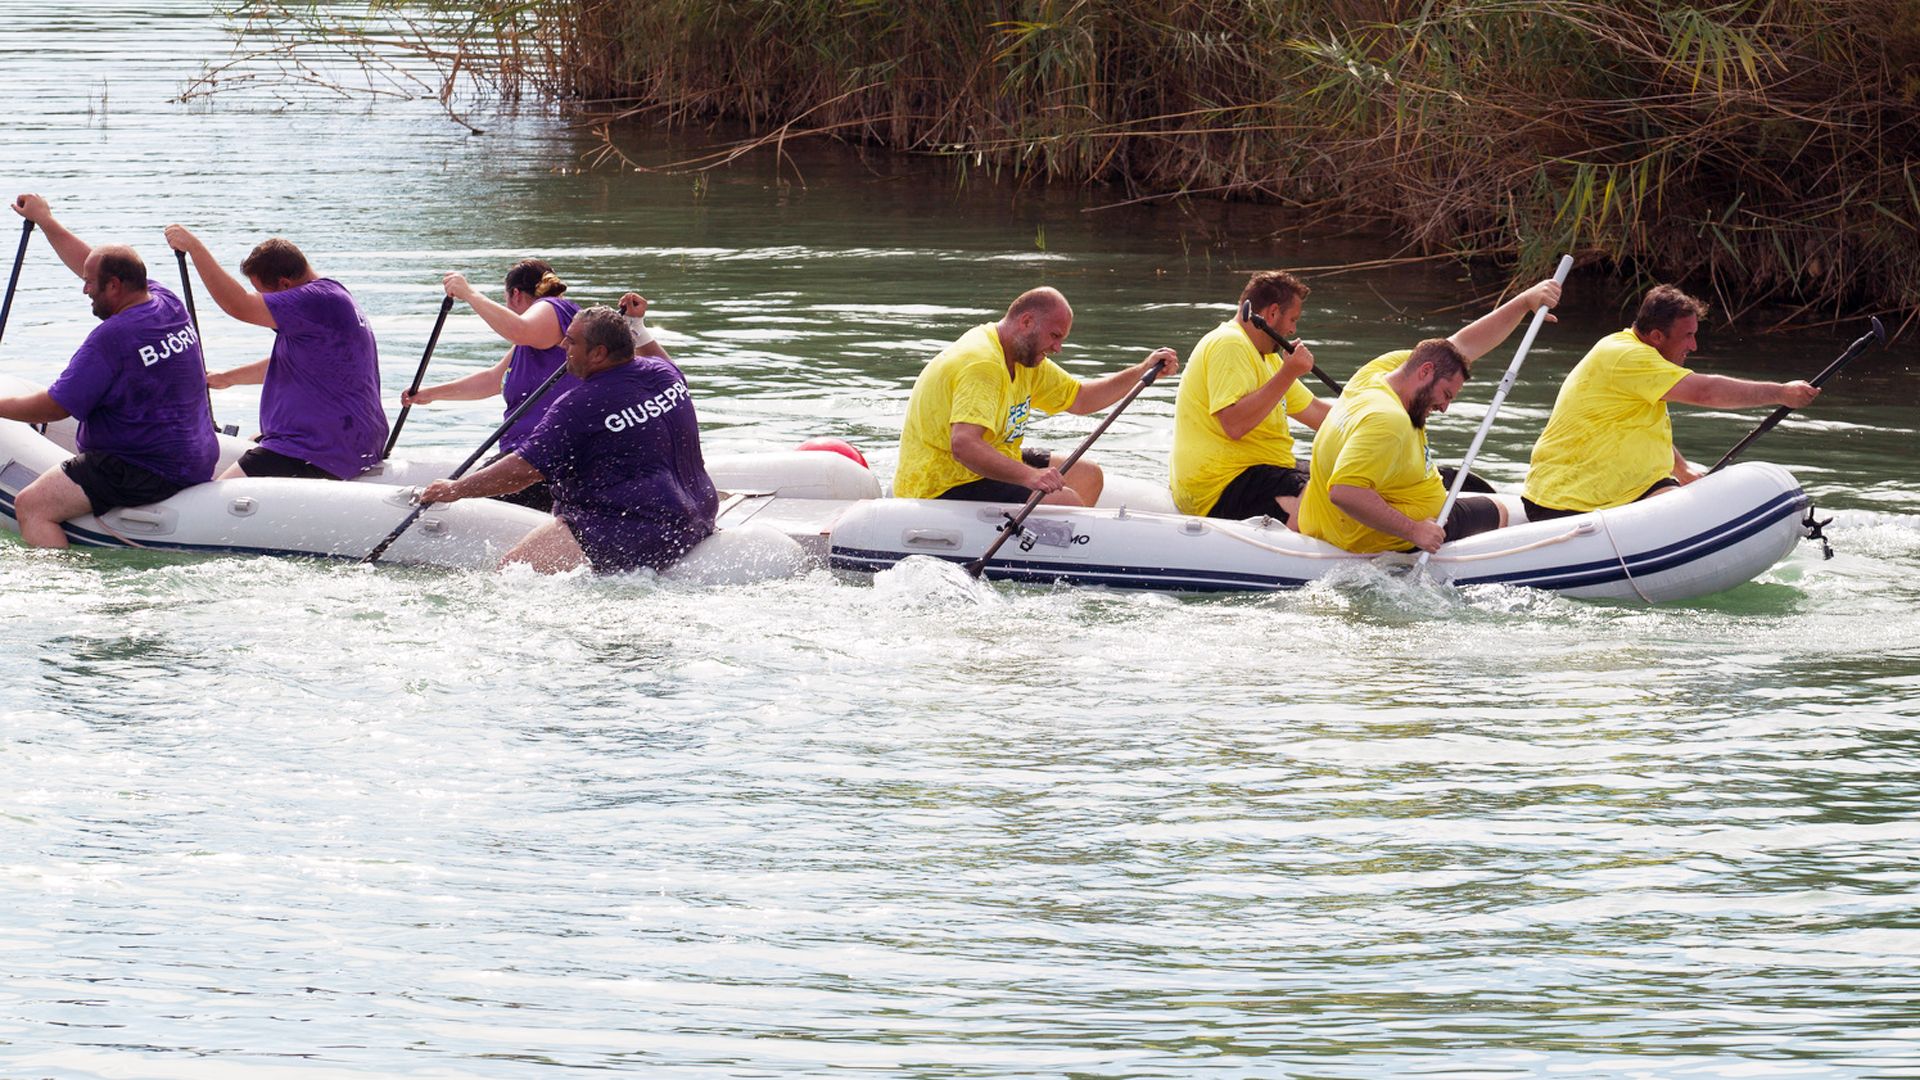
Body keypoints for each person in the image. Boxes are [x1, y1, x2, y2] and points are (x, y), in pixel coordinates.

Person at [417, 307, 717, 574]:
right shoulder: (665, 373)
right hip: (700, 509)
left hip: (632, 530)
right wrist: (638, 325)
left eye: (572, 341)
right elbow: (665, 365)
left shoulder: (578, 405)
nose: (563, 346)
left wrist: (455, 489)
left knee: (511, 572)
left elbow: (523, 470)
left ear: (598, 353)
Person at [0, 195, 217, 548]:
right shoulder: (167, 302)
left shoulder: (111, 338)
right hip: (196, 457)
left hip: (140, 468)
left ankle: (61, 587)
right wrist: (46, 222)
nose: (84, 288)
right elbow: (91, 263)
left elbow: (54, 408)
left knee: (31, 505)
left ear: (114, 285)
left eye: (90, 283)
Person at [1521, 284, 1819, 520]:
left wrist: (1682, 469)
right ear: (1656, 336)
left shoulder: (1640, 358)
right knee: (1701, 514)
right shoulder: (1628, 356)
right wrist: (1781, 393)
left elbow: (1641, 427)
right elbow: (1706, 392)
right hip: (1566, 501)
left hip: (1622, 489)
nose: (1694, 345)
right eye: (1687, 336)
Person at [400, 261, 669, 511]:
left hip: (541, 464)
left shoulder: (553, 307)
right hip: (532, 458)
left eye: (507, 300)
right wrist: (429, 395)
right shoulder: (531, 342)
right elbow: (495, 380)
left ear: (516, 295)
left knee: (456, 501)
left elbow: (518, 328)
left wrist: (469, 293)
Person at [893, 286, 1179, 505]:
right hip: (942, 484)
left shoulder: (1025, 358)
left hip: (983, 467)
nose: (1058, 348)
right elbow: (964, 445)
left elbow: (1080, 399)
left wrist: (1141, 370)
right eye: (1054, 336)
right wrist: (1030, 476)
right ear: (1027, 322)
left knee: (1087, 476)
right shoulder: (983, 365)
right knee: (1065, 501)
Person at [162, 226, 387, 481]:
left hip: (317, 449)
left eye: (264, 295)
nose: (263, 301)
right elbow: (295, 364)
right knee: (250, 442)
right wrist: (228, 378)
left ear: (285, 285)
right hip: (336, 440)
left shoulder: (317, 300)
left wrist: (194, 247)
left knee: (209, 501)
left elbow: (238, 304)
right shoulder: (330, 299)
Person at [1297, 338, 1508, 554]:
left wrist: (1523, 303)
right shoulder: (1389, 421)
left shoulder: (1373, 375)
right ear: (1425, 371)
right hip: (1362, 537)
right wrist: (1414, 531)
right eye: (1445, 395)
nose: (1444, 408)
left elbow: (1461, 345)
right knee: (1499, 511)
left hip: (1325, 525)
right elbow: (1345, 492)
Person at [1169, 270, 1328, 521]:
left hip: (1262, 469)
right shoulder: (1230, 344)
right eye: (1293, 319)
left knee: (1340, 480)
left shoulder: (1269, 358)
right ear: (1272, 313)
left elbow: (1319, 415)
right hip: (1221, 486)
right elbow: (1234, 424)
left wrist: (1372, 422)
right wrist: (1289, 372)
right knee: (1327, 497)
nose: (1293, 329)